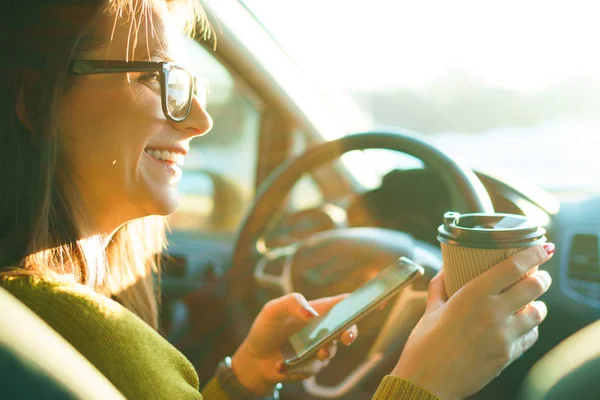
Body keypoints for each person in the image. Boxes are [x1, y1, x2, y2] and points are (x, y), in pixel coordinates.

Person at [0, 0, 554, 399]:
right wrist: (428, 382)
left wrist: (241, 380)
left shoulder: (43, 322)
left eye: (194, 89)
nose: (200, 121)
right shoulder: (78, 327)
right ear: (37, 96)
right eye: (161, 80)